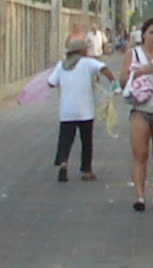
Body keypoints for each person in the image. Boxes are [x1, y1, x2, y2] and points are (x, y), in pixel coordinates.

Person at [117, 17, 153, 212]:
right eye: (151, 33)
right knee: (140, 154)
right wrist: (140, 72)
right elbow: (123, 81)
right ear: (143, 35)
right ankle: (140, 196)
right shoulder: (133, 54)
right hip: (140, 111)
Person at [45, 37, 108, 183]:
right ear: (82, 50)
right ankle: (86, 171)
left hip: (66, 111)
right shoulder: (87, 62)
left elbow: (50, 83)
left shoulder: (61, 65)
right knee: (86, 141)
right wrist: (113, 84)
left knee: (65, 140)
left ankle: (63, 164)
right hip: (85, 111)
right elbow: (103, 68)